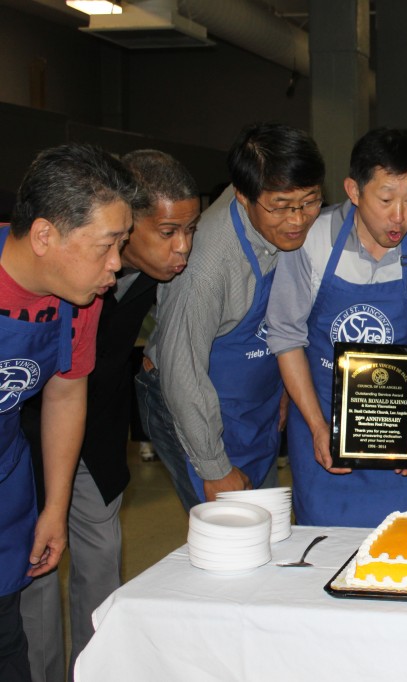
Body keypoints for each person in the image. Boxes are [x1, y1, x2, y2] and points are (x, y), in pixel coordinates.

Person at [18, 150, 198, 680]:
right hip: (25, 436)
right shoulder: (67, 269)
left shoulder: (154, 272)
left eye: (188, 229)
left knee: (99, 561)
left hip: (96, 433)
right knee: (34, 579)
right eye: (166, 231)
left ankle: (95, 669)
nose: (181, 246)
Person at [267, 128, 407, 527]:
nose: (399, 217)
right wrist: (318, 428)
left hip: (398, 432)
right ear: (354, 191)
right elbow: (286, 336)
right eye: (386, 199)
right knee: (322, 554)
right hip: (323, 428)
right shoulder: (312, 239)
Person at [0, 143, 140, 682]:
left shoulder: (76, 302)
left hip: (8, 486)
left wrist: (55, 508)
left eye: (122, 244)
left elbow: (64, 394)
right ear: (43, 236)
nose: (117, 264)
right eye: (107, 245)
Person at [137, 122, 325, 510]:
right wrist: (213, 468)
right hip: (191, 402)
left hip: (253, 402)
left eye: (309, 202)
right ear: (242, 196)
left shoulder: (275, 218)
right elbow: (181, 373)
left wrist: (282, 389)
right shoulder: (206, 267)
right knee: (231, 528)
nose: (297, 220)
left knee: (266, 519)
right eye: (280, 207)